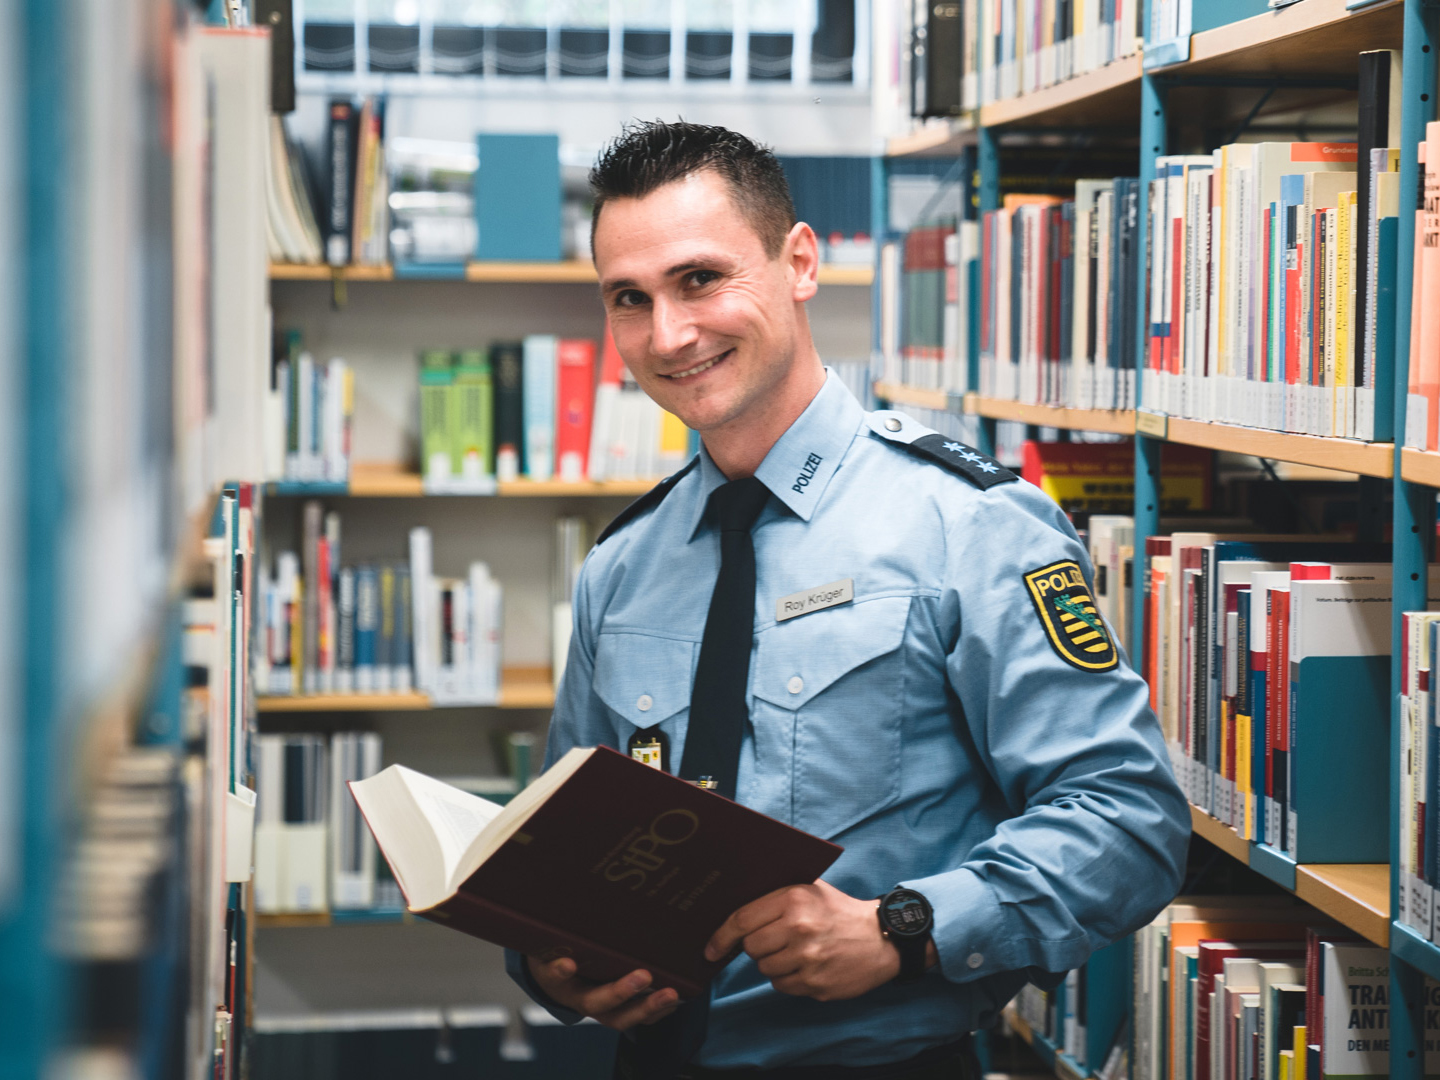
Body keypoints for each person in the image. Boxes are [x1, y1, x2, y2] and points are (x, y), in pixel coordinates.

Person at [506, 120, 1189, 1078]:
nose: (669, 334)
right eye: (631, 298)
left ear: (799, 263)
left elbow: (1129, 819)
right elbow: (566, 851)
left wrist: (904, 928)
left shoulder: (967, 525)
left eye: (700, 279)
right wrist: (550, 965)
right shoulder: (620, 566)